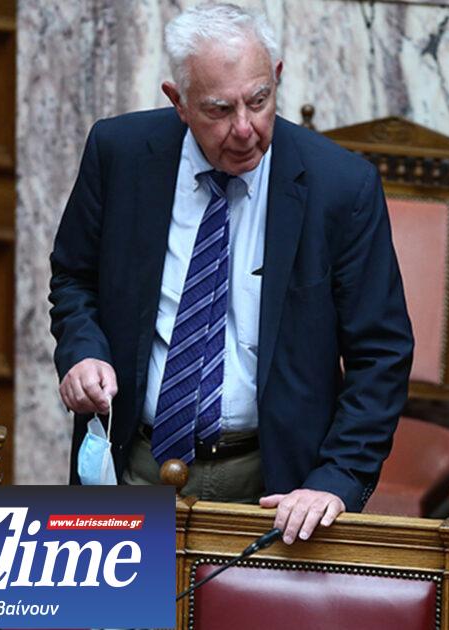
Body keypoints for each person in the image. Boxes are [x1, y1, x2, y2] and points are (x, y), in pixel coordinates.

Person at [49, 3, 412, 545]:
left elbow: (381, 352)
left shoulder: (341, 187)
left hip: (274, 489)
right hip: (134, 463)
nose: (244, 128)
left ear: (277, 77)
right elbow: (74, 278)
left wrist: (337, 478)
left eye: (259, 101)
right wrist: (83, 352)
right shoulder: (120, 154)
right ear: (178, 101)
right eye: (219, 110)